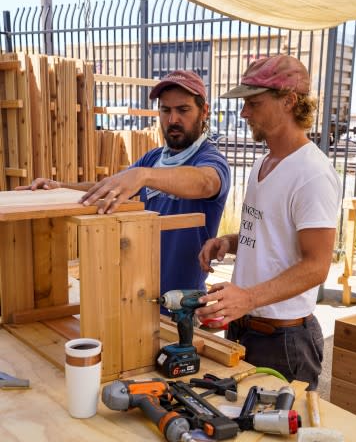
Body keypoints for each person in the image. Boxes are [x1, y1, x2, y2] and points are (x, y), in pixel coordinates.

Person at [18, 70, 231, 312]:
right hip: (138, 296)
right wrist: (61, 186)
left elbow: (206, 182)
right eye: (165, 110)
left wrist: (143, 175)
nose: (172, 119)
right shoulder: (153, 158)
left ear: (204, 112)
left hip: (179, 305)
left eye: (183, 110)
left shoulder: (210, 160)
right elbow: (113, 186)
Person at [196, 54, 342, 390]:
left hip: (284, 342)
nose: (244, 113)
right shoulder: (264, 164)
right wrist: (229, 243)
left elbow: (317, 267)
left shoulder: (312, 174)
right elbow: (269, 232)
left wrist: (247, 298)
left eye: (254, 103)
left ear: (289, 101)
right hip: (244, 329)